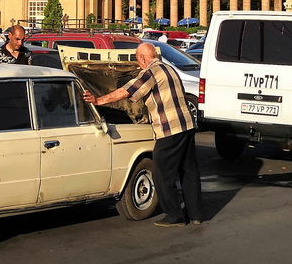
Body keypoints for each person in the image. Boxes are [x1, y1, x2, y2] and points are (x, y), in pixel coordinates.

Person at [83, 42, 204, 227]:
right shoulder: (169, 68)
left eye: (137, 60)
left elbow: (127, 91)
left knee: (161, 172)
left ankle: (174, 215)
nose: (138, 64)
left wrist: (99, 100)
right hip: (186, 125)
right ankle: (195, 214)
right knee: (189, 171)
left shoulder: (150, 71)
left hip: (169, 129)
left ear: (142, 58)